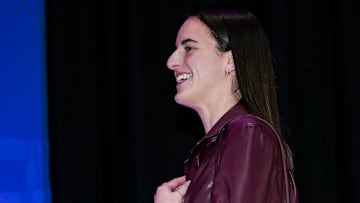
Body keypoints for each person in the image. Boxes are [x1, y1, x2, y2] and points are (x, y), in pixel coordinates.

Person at [154, 8, 298, 203]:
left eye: (189, 48)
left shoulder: (247, 132)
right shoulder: (216, 150)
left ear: (230, 61)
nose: (171, 62)